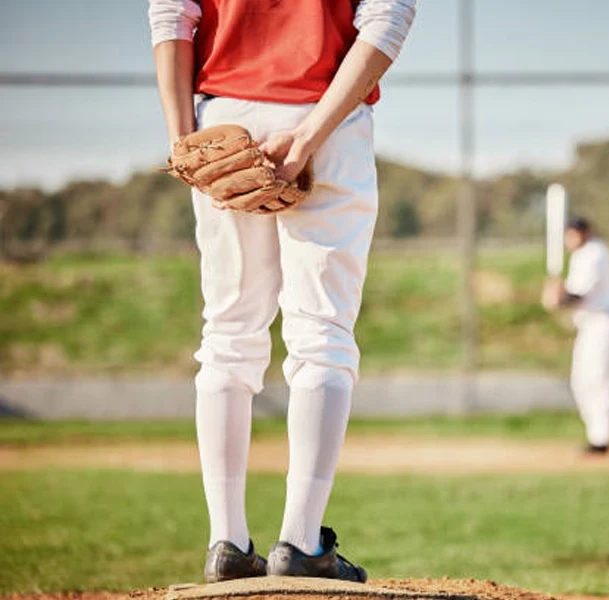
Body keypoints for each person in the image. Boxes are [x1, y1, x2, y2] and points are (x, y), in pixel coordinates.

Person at [148, 0, 416, 583]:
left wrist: (184, 142)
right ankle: (300, 542)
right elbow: (387, 19)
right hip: (327, 111)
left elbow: (171, 14)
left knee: (228, 333)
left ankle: (226, 540)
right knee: (322, 332)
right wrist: (308, 136)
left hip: (223, 118)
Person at [541, 217, 609, 455]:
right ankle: (596, 435)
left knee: (599, 380)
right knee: (582, 381)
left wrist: (557, 296)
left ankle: (601, 438)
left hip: (605, 323)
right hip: (591, 325)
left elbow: (576, 295)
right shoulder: (584, 256)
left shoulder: (593, 254)